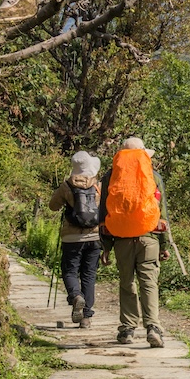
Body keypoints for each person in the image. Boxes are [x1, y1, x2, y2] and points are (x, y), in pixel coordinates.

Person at [100, 137, 170, 347]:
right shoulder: (154, 176)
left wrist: (106, 246)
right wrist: (164, 244)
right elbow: (162, 213)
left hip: (121, 239)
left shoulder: (110, 177)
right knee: (149, 282)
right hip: (149, 238)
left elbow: (104, 213)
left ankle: (128, 329)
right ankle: (153, 327)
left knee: (126, 283)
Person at [48, 151, 102, 329]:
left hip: (71, 237)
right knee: (89, 274)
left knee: (70, 271)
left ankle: (76, 296)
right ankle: (86, 317)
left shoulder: (66, 186)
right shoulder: (97, 186)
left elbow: (52, 206)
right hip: (94, 236)